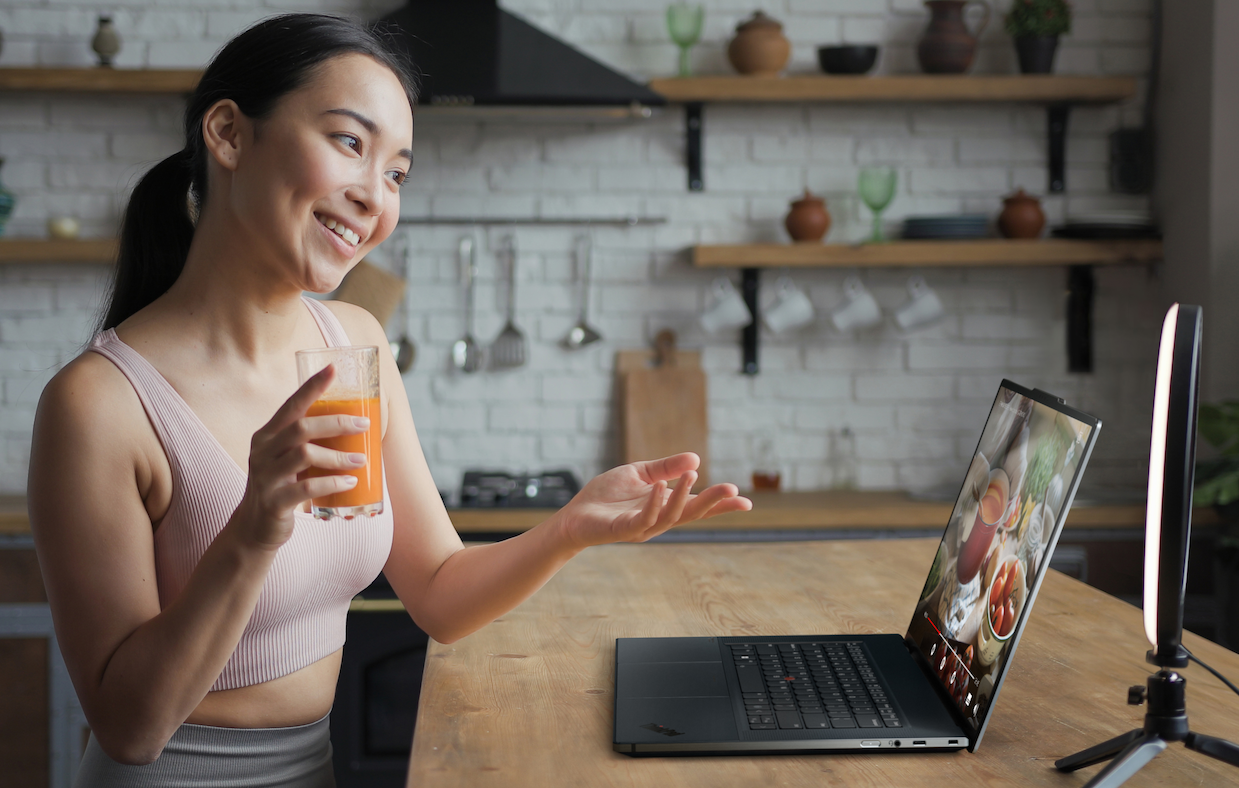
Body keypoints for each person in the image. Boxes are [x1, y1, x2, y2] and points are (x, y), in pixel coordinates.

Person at [27, 14, 750, 787]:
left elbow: (438, 590)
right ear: (230, 134)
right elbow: (130, 729)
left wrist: (569, 528)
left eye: (398, 172)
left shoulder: (355, 344)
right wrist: (253, 529)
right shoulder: (100, 404)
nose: (375, 195)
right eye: (349, 143)